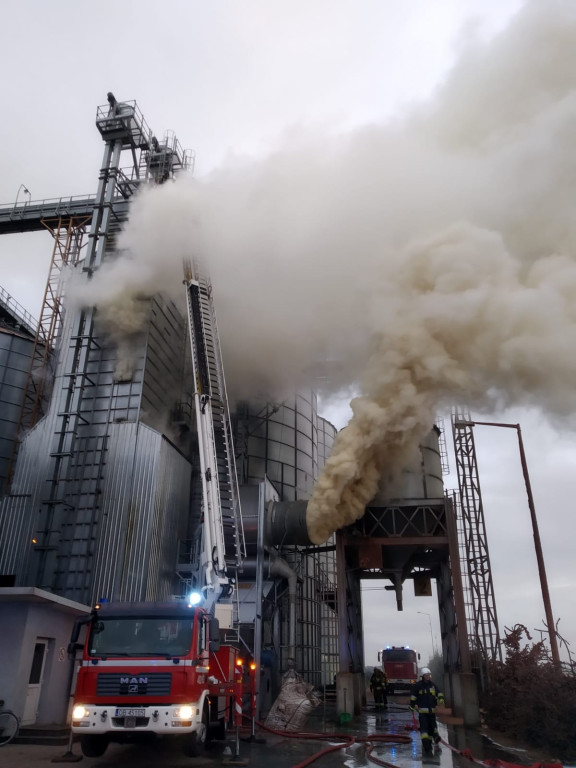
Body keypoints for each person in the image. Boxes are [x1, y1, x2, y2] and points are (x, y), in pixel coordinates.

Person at [410, 667, 445, 755]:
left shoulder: (433, 685)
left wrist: (441, 699)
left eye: (429, 675)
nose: (428, 677)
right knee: (424, 730)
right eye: (426, 675)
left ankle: (435, 737)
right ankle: (426, 745)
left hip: (431, 712)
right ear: (422, 676)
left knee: (433, 728)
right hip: (423, 714)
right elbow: (413, 697)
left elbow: (439, 692)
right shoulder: (418, 686)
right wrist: (412, 706)